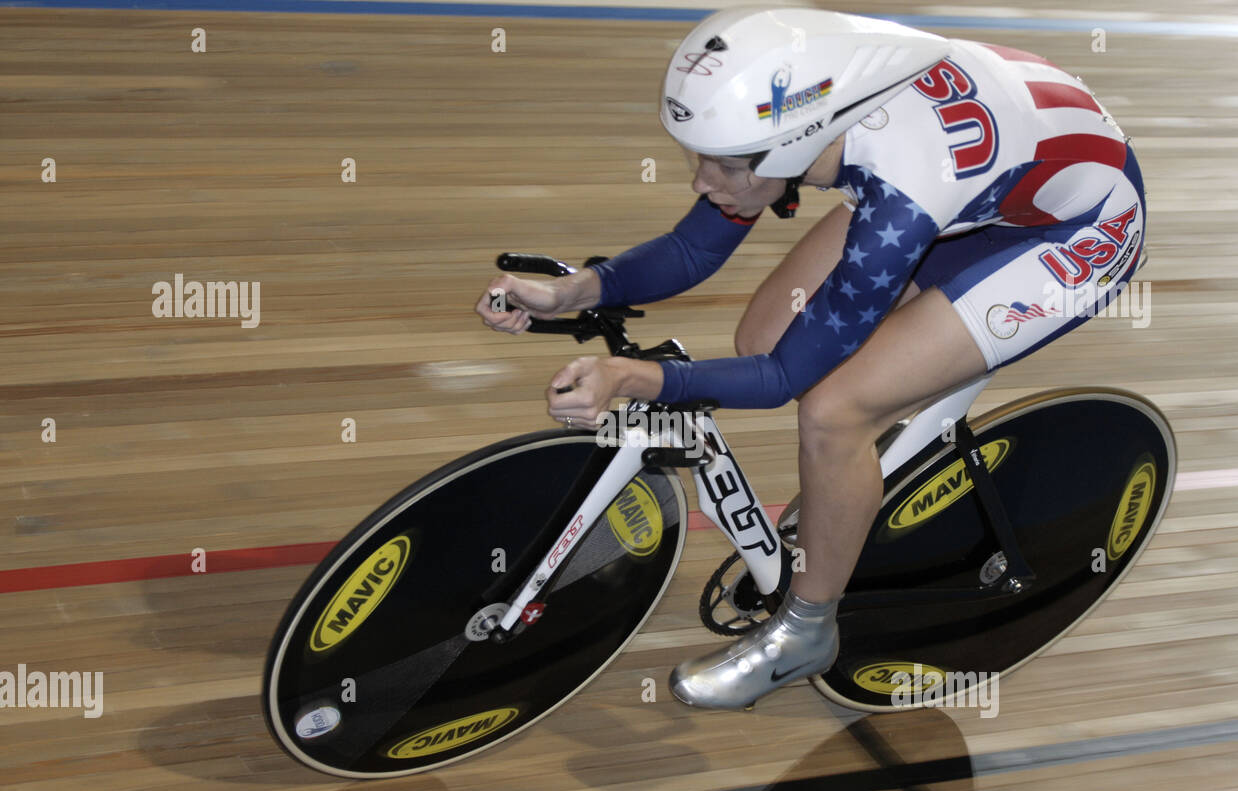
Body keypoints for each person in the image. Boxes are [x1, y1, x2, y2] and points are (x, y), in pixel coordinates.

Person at [474, 7, 1146, 711]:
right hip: (984, 190)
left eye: (725, 164)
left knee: (832, 411)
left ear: (797, 145)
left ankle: (805, 632)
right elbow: (695, 251)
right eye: (698, 155)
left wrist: (636, 377)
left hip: (1076, 232)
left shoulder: (899, 197)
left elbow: (785, 384)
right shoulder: (807, 117)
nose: (702, 181)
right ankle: (861, 475)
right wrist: (574, 291)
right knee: (762, 334)